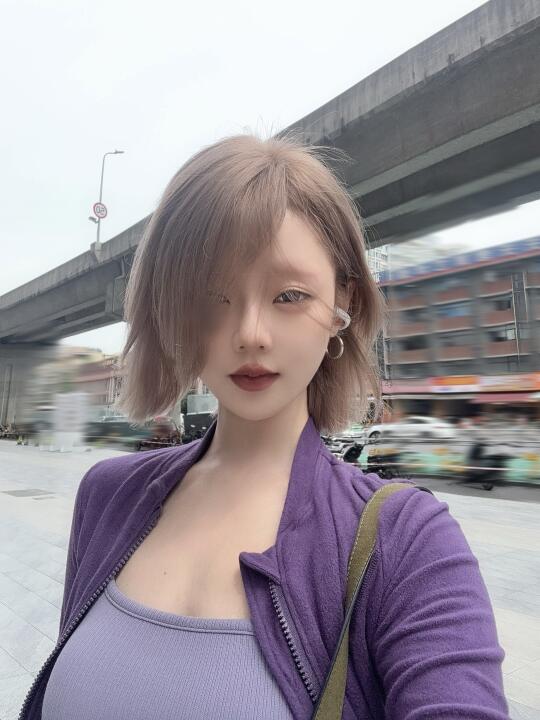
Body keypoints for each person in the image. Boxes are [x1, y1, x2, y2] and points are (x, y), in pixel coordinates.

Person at [24, 134, 509, 719]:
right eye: (212, 297)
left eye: (289, 295)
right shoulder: (108, 496)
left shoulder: (406, 542)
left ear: (344, 303)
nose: (250, 333)